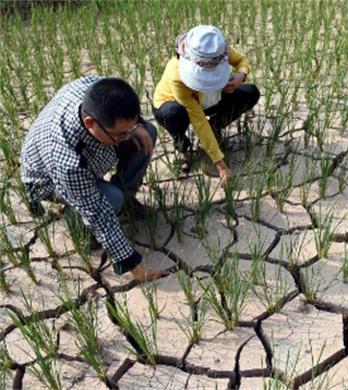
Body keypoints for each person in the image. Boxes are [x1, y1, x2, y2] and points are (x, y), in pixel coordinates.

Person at [20, 76, 167, 282]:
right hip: (48, 180)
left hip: (89, 153)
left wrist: (137, 127)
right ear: (90, 123)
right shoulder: (67, 158)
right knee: (110, 200)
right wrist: (134, 266)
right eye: (120, 134)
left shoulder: (96, 89)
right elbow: (96, 211)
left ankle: (126, 197)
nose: (126, 136)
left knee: (147, 132)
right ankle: (79, 226)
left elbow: (125, 116)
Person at [153, 24, 260, 186]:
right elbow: (198, 120)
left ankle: (215, 127)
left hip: (208, 98)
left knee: (250, 92)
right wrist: (220, 164)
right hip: (175, 105)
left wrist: (240, 77)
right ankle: (183, 148)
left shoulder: (217, 50)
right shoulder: (177, 74)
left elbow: (241, 61)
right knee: (174, 114)